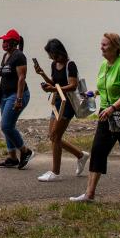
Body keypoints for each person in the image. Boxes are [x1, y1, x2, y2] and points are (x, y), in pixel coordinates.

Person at [70, 33, 120, 203]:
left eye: (105, 45)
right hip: (106, 112)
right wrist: (93, 93)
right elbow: (105, 88)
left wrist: (113, 107)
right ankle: (89, 194)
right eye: (101, 44)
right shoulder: (104, 65)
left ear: (116, 47)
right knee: (98, 150)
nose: (102, 47)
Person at [33, 38, 88, 181]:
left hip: (68, 104)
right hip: (57, 102)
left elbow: (73, 85)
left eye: (51, 54)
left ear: (57, 52)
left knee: (56, 137)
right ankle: (80, 155)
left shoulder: (70, 65)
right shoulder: (53, 64)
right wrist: (42, 74)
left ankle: (55, 172)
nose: (50, 57)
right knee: (53, 136)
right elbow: (54, 83)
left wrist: (54, 88)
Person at [0, 29, 33, 169]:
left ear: (14, 42)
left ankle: (25, 151)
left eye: (6, 41)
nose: (4, 43)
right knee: (8, 127)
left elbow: (22, 78)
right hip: (5, 95)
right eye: (3, 41)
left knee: (6, 126)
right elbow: (3, 77)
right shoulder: (6, 55)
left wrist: (19, 99)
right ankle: (12, 157)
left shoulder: (19, 56)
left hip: (16, 95)